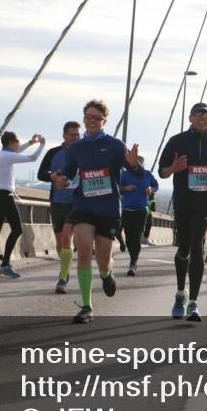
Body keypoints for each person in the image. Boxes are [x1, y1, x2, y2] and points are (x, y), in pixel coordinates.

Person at [54, 99, 140, 324]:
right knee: (83, 251)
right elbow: (69, 171)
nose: (91, 121)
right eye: (88, 117)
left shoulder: (115, 145)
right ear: (84, 119)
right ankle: (87, 306)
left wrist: (133, 164)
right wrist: (63, 179)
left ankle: (106, 274)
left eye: (96, 118)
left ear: (104, 121)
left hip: (108, 209)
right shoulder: (77, 147)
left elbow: (136, 173)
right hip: (83, 206)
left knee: (103, 260)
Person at [158, 102, 207, 322]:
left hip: (205, 202)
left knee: (198, 246)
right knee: (184, 248)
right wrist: (174, 168)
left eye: (206, 115)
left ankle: (194, 303)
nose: (202, 118)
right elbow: (162, 171)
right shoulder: (177, 141)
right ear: (190, 118)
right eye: (198, 114)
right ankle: (180, 294)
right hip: (183, 202)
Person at [0, 131, 45, 277]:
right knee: (17, 229)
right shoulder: (7, 156)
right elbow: (32, 157)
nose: (19, 144)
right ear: (11, 143)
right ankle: (5, 264)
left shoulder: (0, 154)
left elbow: (16, 152)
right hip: (6, 197)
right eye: (17, 141)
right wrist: (42, 145)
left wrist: (31, 143)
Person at [37, 121, 81, 293]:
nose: (76, 137)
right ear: (64, 135)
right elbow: (41, 174)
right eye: (72, 134)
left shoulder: (84, 153)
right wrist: (53, 176)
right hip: (57, 201)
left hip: (76, 202)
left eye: (78, 135)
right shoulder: (54, 152)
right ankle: (65, 269)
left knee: (66, 239)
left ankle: (63, 278)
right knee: (60, 243)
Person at [120, 156, 159, 276]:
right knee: (129, 237)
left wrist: (151, 189)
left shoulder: (147, 174)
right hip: (127, 210)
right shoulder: (125, 174)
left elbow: (156, 186)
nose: (139, 166)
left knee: (136, 237)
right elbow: (117, 188)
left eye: (142, 164)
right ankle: (132, 257)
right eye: (137, 164)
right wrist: (126, 188)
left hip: (141, 211)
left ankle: (133, 262)